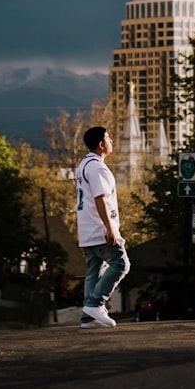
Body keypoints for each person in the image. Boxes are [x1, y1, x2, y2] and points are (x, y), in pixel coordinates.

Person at [75, 126, 130, 328]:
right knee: (121, 264)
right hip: (99, 229)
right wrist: (110, 228)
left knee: (93, 272)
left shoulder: (83, 165)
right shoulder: (97, 167)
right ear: (101, 144)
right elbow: (100, 199)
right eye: (109, 138)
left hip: (87, 230)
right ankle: (95, 303)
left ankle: (88, 318)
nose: (112, 141)